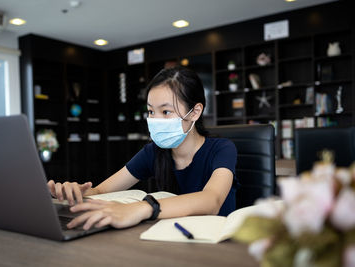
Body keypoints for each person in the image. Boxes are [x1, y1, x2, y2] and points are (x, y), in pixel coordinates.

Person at [47, 66, 237, 231]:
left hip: (217, 243)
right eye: (151, 111)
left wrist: (142, 208)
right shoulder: (153, 152)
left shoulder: (222, 149)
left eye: (166, 111)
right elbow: (102, 190)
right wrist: (75, 192)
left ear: (195, 112)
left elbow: (212, 200)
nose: (155, 120)